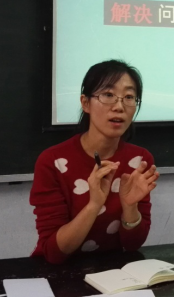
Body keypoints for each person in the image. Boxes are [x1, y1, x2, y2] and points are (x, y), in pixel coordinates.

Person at [30, 60, 159, 264]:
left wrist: (130, 207)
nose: (119, 107)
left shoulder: (140, 161)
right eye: (108, 95)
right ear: (86, 103)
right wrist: (94, 205)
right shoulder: (53, 161)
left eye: (129, 97)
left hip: (114, 271)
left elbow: (133, 245)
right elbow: (54, 253)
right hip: (59, 271)